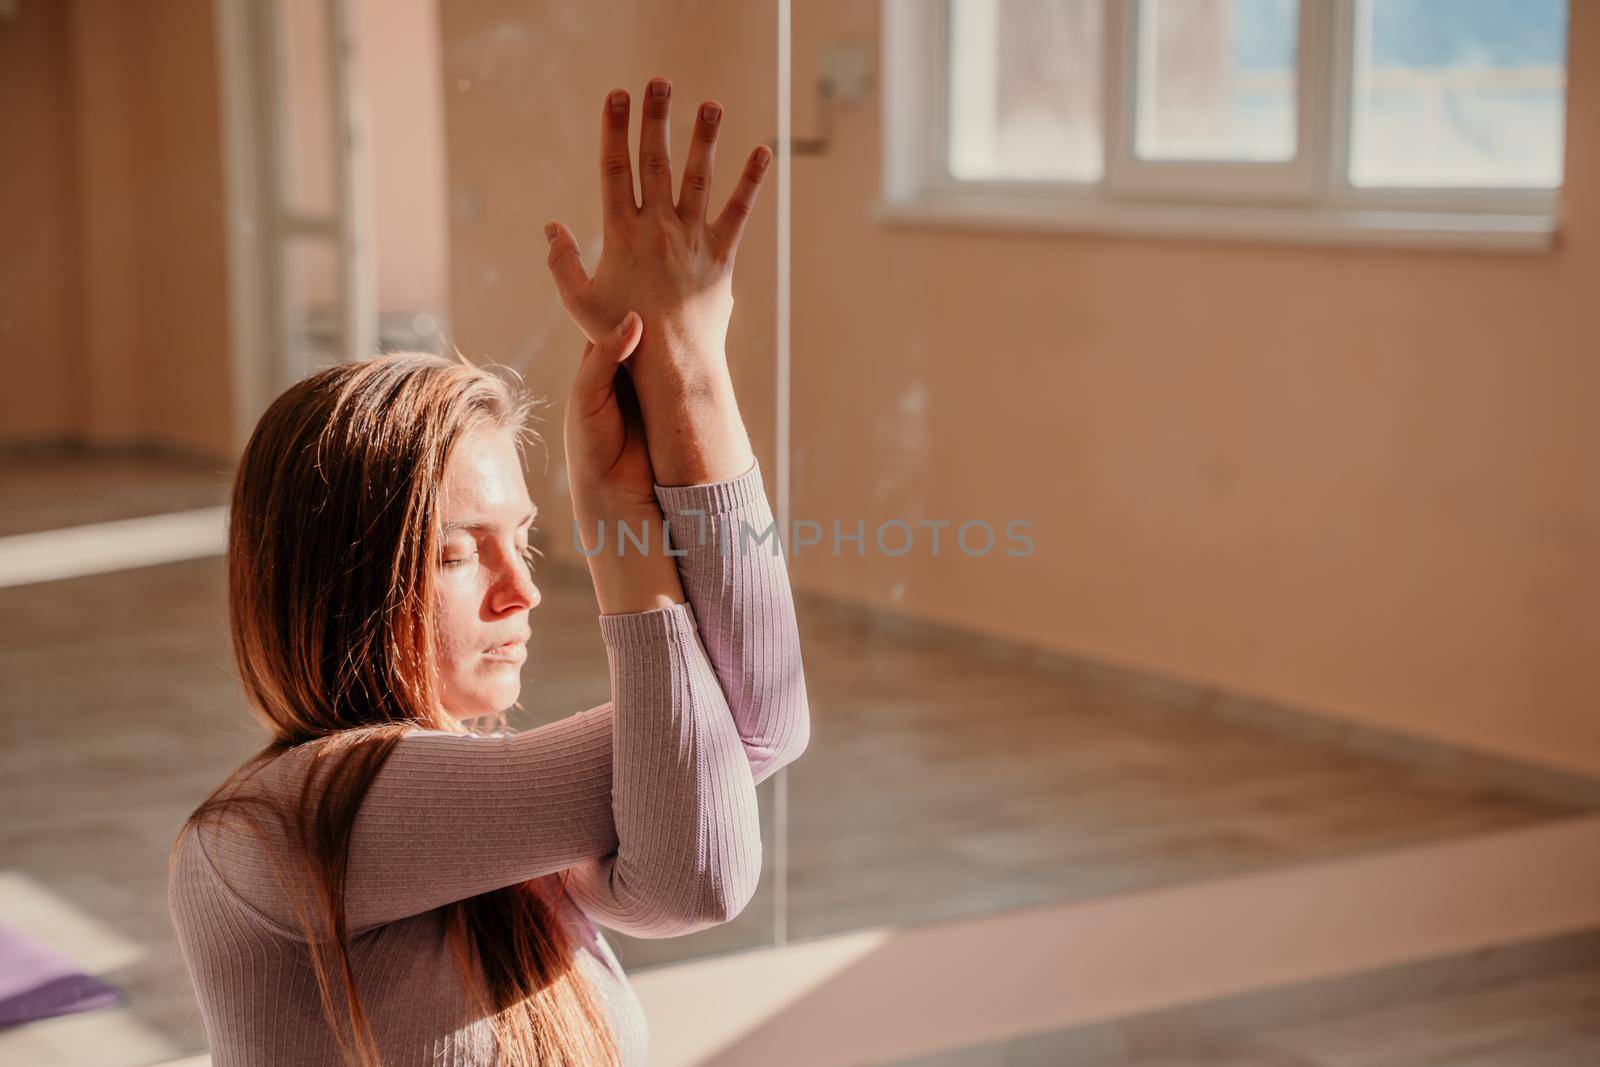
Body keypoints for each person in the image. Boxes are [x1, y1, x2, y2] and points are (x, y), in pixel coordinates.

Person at [167, 76, 808, 1067]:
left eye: (528, 535)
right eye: (458, 551)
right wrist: (633, 483)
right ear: (334, 578)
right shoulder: (286, 822)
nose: (523, 589)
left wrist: (689, 376)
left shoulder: (501, 829)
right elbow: (705, 858)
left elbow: (745, 730)